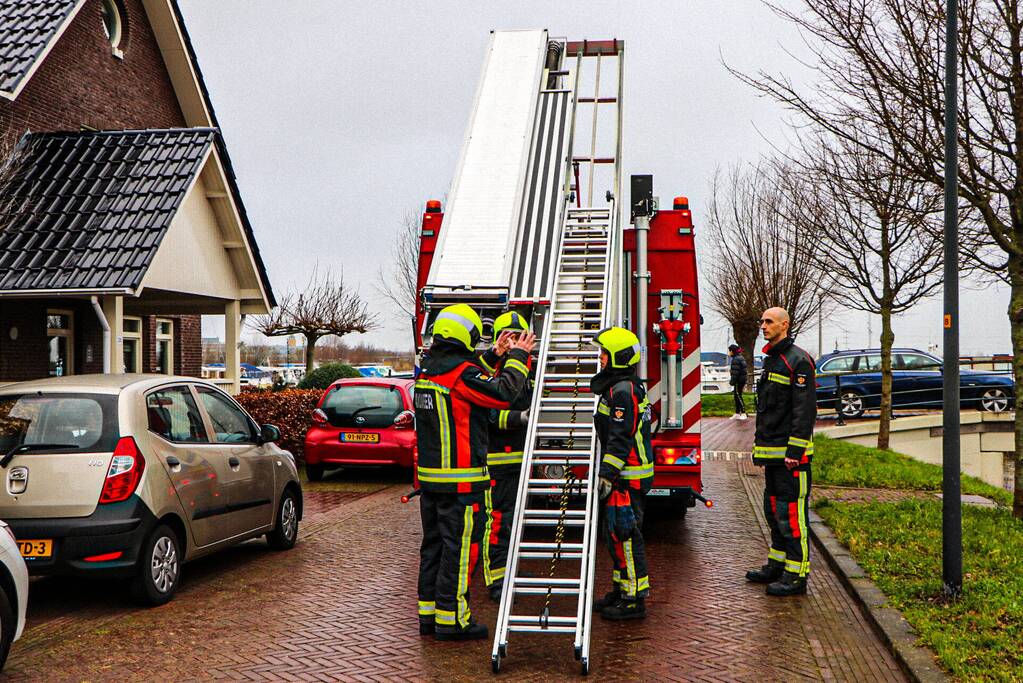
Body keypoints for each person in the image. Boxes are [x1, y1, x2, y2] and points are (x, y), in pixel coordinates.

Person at [415, 304, 535, 641]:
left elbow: (468, 386)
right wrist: (518, 358)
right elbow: (501, 393)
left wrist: (494, 356)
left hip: (432, 481)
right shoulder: (460, 374)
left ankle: (429, 616)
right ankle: (453, 621)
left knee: (434, 549)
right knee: (459, 550)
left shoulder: (428, 371)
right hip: (462, 482)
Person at [745, 307, 817, 597]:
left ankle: (797, 574)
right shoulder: (773, 360)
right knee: (773, 512)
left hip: (790, 458)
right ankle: (777, 564)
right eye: (762, 321)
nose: (763, 326)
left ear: (784, 325)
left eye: (769, 321)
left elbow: (804, 409)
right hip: (773, 454)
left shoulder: (798, 361)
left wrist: (795, 449)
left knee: (791, 515)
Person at [589, 326, 654, 620]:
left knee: (626, 534)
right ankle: (620, 588)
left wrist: (607, 474)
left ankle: (633, 599)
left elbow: (620, 437)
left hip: (626, 476)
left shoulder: (623, 391)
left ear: (618, 356)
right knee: (614, 534)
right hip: (622, 475)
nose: (600, 358)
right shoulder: (617, 387)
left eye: (604, 353)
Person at [476, 311, 533, 602]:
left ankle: (512, 573)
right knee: (498, 521)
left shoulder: (528, 367)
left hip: (524, 459)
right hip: (498, 461)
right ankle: (497, 580)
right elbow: (484, 413)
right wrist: (517, 418)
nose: (513, 342)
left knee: (519, 522)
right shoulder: (489, 370)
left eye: (518, 336)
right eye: (507, 336)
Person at [728, 344, 748, 420]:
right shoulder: (740, 357)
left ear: (732, 351)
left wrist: (732, 381)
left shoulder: (735, 359)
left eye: (729, 351)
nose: (728, 353)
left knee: (738, 396)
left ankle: (743, 413)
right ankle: (737, 413)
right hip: (742, 379)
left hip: (738, 380)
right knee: (736, 396)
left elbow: (735, 372)